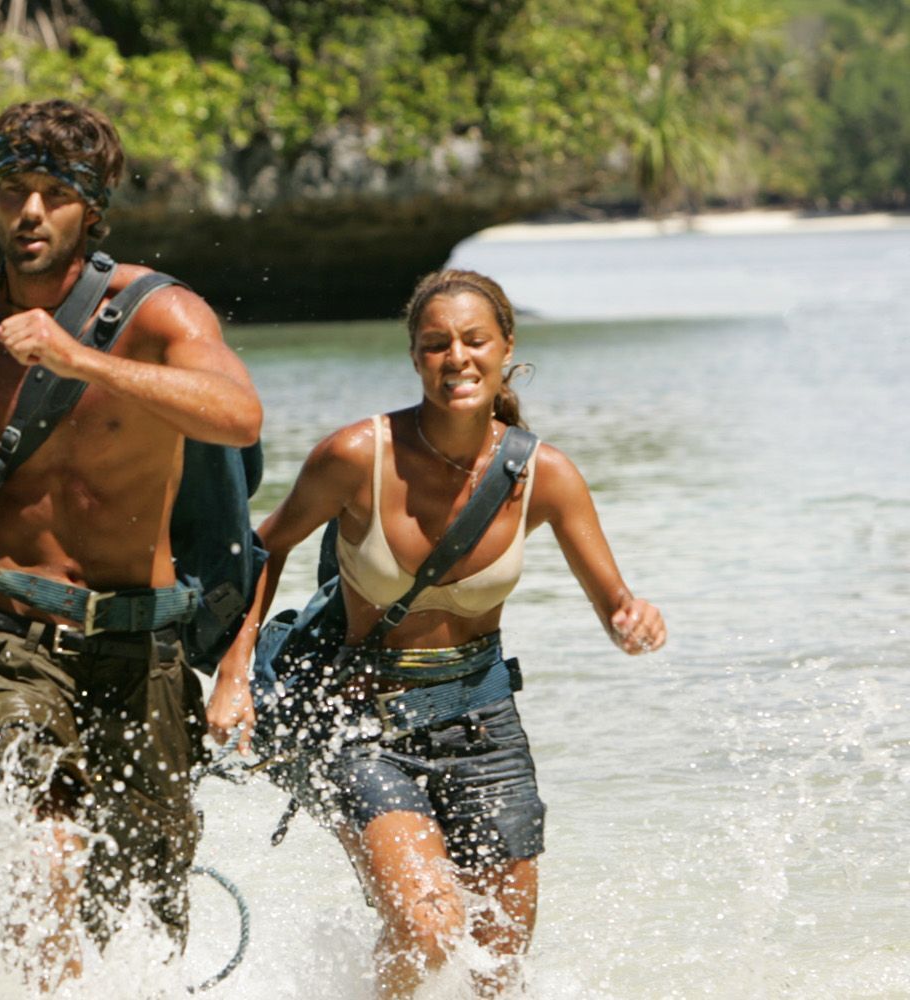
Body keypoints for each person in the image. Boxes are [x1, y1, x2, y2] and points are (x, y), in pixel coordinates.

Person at [205, 269, 667, 997]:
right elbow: (267, 548)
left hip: (484, 726)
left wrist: (633, 622)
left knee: (499, 963)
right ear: (416, 357)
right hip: (364, 725)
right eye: (437, 344)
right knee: (428, 926)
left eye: (475, 340)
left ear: (506, 347)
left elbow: (616, 603)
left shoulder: (544, 476)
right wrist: (236, 674)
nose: (458, 357)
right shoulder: (358, 454)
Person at [0, 99, 262, 980]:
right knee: (48, 848)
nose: (30, 214)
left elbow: (239, 414)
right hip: (7, 630)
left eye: (53, 196)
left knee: (142, 908)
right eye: (12, 192)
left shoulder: (161, 314)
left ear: (91, 211)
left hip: (144, 641)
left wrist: (83, 362)